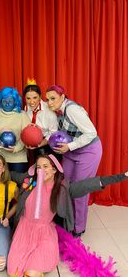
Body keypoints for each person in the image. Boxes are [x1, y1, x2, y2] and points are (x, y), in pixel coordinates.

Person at [7, 154, 128, 277]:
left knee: (32, 272)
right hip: (24, 231)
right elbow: (12, 175)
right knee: (13, 271)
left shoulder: (62, 188)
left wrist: (122, 176)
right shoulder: (30, 181)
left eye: (45, 166)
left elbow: (88, 184)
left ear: (54, 170)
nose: (41, 170)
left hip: (44, 233)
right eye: (38, 167)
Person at [45, 85, 102, 237]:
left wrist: (69, 146)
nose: (50, 103)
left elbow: (91, 133)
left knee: (79, 190)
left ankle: (78, 227)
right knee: (65, 185)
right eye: (48, 99)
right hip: (71, 152)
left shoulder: (72, 109)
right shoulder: (57, 111)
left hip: (88, 151)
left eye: (53, 98)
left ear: (62, 97)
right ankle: (67, 220)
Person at [0, 87, 31, 173]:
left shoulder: (22, 116)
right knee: (1, 186)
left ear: (15, 102)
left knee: (18, 185)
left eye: (10, 101)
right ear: (0, 102)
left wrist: (16, 148)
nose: (7, 104)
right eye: (4, 101)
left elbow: (27, 137)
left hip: (19, 159)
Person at [23, 82, 58, 159]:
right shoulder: (26, 109)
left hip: (49, 143)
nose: (32, 102)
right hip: (34, 143)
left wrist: (40, 144)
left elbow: (53, 132)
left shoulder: (49, 110)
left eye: (35, 97)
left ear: (40, 96)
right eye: (28, 98)